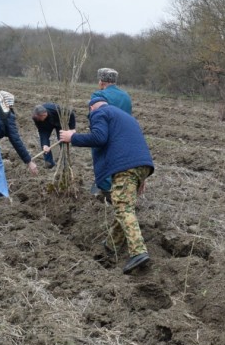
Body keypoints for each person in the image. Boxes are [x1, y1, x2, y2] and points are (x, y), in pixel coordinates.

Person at [59, 96, 154, 274]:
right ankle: (111, 245)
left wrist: (73, 137)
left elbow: (99, 137)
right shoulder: (125, 116)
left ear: (91, 108)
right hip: (142, 164)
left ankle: (138, 252)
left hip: (126, 166)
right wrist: (142, 176)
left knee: (123, 207)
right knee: (124, 205)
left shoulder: (99, 112)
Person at [90, 68, 133, 193]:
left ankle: (104, 188)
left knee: (102, 159)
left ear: (101, 81)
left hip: (105, 133)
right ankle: (119, 184)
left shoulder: (99, 95)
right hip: (123, 134)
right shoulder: (126, 96)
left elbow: (95, 117)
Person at [32, 103, 76, 169]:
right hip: (45, 126)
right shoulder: (36, 118)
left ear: (44, 114)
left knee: (62, 140)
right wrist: (45, 144)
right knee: (44, 144)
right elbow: (42, 131)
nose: (39, 119)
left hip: (59, 122)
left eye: (40, 117)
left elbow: (71, 114)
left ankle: (64, 161)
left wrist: (72, 129)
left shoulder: (56, 109)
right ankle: (49, 162)